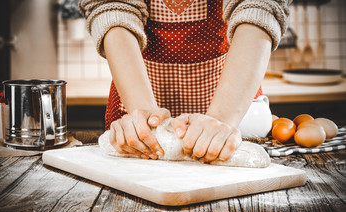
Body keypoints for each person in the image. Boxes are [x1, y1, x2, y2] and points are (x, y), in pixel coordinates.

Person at [79, 0, 290, 162]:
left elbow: (259, 6)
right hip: (136, 100)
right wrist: (145, 120)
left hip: (232, 106)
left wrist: (222, 118)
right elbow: (112, 5)